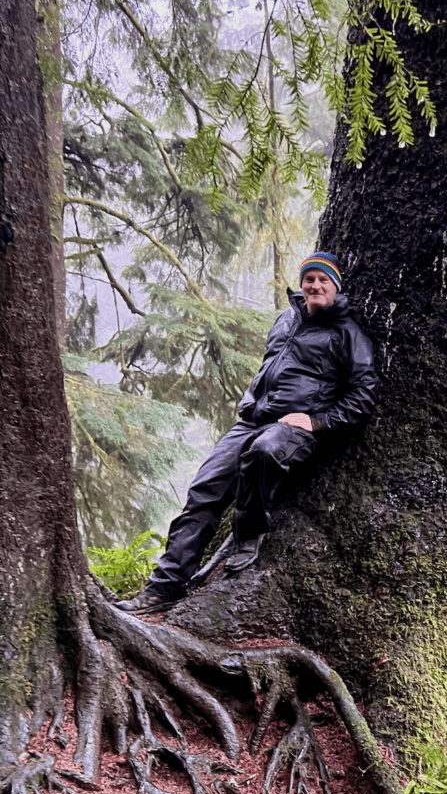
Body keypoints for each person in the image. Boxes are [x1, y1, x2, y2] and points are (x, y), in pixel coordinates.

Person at [117, 252, 379, 616]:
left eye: (323, 280)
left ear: (336, 286)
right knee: (203, 492)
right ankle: (164, 588)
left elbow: (364, 395)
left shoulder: (348, 334)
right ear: (302, 284)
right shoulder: (287, 319)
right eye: (309, 279)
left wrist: (317, 421)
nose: (315, 286)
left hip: (291, 428)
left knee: (265, 450)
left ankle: (248, 531)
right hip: (250, 420)